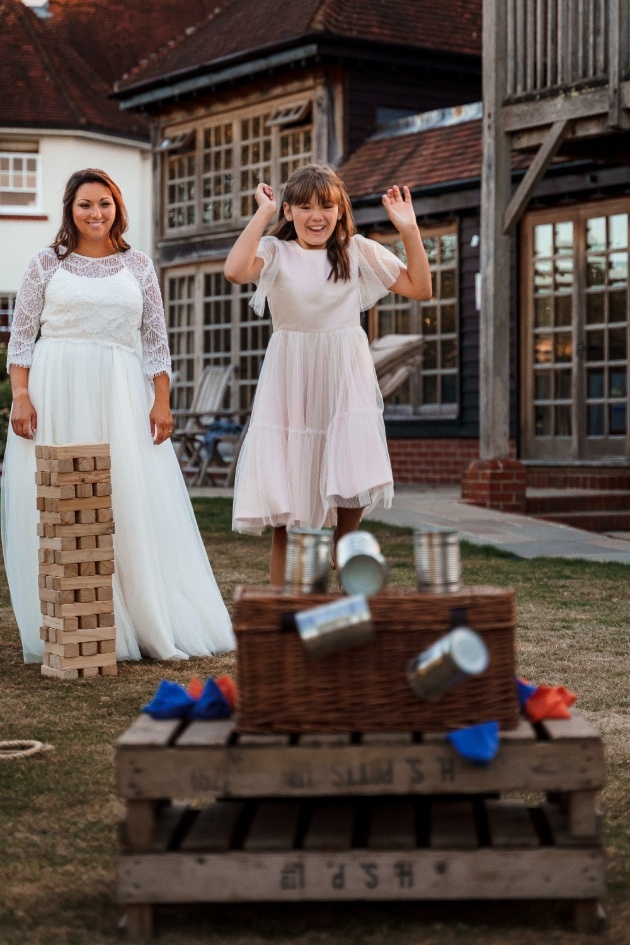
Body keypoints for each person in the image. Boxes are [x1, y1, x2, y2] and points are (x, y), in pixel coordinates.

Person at [2, 168, 235, 663]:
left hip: (120, 389)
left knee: (126, 497)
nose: (95, 213)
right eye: (86, 204)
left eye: (104, 203)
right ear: (70, 209)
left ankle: (143, 616)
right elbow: (21, 338)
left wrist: (162, 399)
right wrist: (20, 395)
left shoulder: (140, 265)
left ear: (117, 208)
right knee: (63, 505)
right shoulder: (45, 263)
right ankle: (70, 618)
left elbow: (155, 340)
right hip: (57, 384)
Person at [225, 163, 432, 584]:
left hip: (343, 369)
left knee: (351, 457)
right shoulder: (275, 252)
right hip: (291, 373)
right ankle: (284, 602)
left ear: (340, 211)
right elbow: (234, 269)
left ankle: (343, 543)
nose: (315, 215)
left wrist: (409, 229)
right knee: (289, 495)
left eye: (326, 206)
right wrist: (261, 214)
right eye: (304, 207)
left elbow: (419, 288)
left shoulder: (358, 251)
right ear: (289, 212)